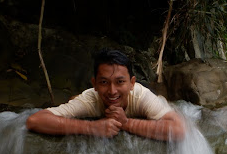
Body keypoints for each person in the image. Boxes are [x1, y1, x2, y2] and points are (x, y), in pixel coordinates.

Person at [26, 49, 185, 141]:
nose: (112, 90)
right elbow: (35, 120)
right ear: (94, 84)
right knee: (77, 102)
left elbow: (179, 129)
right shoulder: (90, 98)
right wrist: (92, 127)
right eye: (104, 82)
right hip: (89, 100)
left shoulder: (141, 96)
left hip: (147, 102)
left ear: (132, 83)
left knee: (163, 104)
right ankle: (74, 99)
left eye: (120, 82)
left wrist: (126, 123)